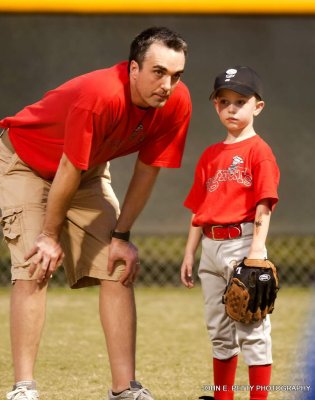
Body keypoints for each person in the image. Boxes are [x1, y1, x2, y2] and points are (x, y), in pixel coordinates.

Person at [0, 26, 191, 400]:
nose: (167, 84)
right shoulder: (101, 96)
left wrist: (121, 236)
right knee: (35, 263)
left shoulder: (175, 104)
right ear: (133, 69)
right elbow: (67, 168)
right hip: (26, 161)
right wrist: (50, 236)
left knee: (117, 264)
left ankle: (125, 389)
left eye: (176, 75)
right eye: (158, 72)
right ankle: (24, 388)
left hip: (85, 169)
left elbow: (148, 169)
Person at [180, 66, 280, 400]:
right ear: (216, 106)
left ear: (258, 107)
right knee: (220, 332)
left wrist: (256, 252)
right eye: (224, 101)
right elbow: (199, 209)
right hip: (210, 244)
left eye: (240, 101)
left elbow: (263, 206)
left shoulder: (259, 151)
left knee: (252, 329)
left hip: (243, 244)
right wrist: (189, 252)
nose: (231, 108)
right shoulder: (210, 155)